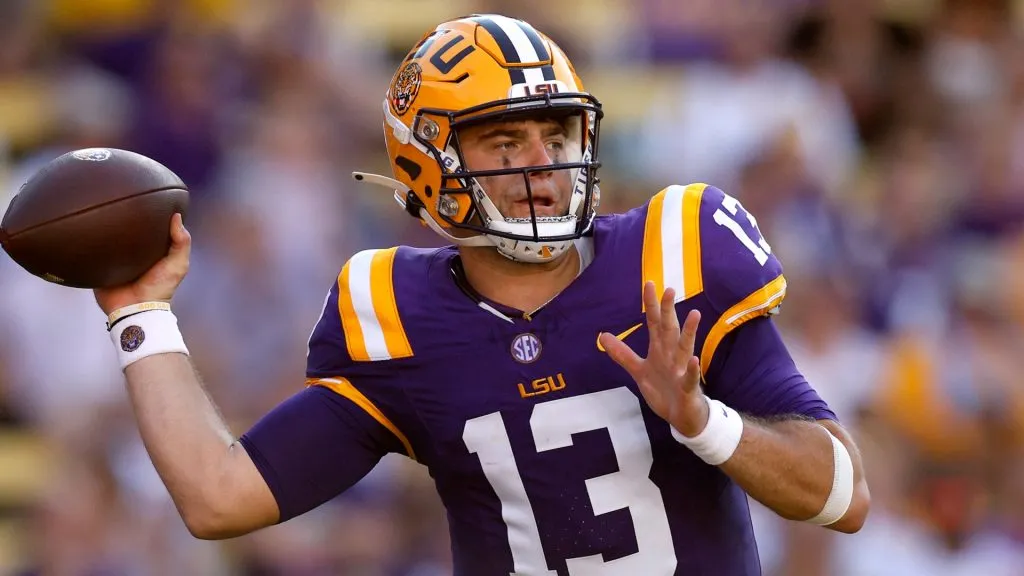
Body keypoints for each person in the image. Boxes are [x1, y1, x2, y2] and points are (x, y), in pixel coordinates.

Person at [94, 14, 870, 575]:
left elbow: (842, 495)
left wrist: (706, 422)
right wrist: (140, 313)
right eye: (507, 142)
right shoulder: (397, 312)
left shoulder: (674, 254)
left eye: (557, 136)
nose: (543, 163)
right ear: (429, 164)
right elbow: (219, 499)